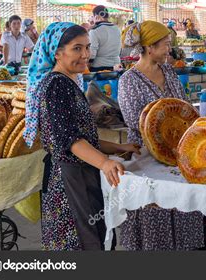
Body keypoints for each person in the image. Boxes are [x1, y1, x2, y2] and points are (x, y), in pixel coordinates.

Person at [24, 22, 140, 250]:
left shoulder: (68, 82)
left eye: (87, 47)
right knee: (83, 242)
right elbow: (71, 140)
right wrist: (105, 163)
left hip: (80, 174)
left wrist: (119, 148)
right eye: (77, 48)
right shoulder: (57, 86)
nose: (85, 55)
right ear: (57, 53)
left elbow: (85, 137)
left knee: (92, 238)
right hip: (70, 180)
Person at [118, 20, 204, 251]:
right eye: (165, 44)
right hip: (147, 155)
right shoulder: (129, 81)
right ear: (149, 48)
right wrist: (166, 131)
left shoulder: (168, 70)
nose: (169, 49)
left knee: (182, 202)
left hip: (179, 153)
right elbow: (135, 121)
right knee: (154, 208)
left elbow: (183, 106)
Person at [89, 5, 121, 72]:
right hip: (117, 66)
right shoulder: (117, 29)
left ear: (96, 16)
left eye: (93, 16)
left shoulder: (95, 31)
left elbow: (92, 53)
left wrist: (87, 65)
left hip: (99, 68)